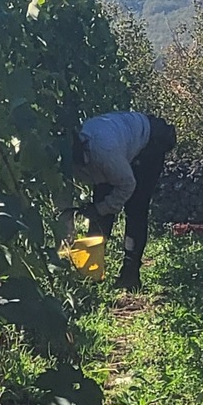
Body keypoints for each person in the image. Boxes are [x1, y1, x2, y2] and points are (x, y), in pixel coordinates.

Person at [73, 110, 177, 289]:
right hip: (121, 143)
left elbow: (128, 184)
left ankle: (130, 275)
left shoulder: (104, 154)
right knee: (100, 207)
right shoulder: (76, 152)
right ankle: (91, 274)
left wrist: (100, 209)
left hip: (149, 143)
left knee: (135, 208)